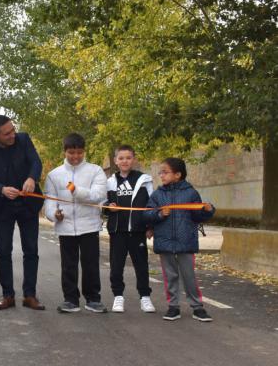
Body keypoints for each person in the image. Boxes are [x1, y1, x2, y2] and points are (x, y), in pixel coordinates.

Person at [0, 115, 46, 310]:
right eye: (7, 133)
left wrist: (32, 178)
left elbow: (36, 162)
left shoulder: (24, 139)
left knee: (31, 250)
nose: (12, 135)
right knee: (4, 251)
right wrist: (1, 189)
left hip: (28, 204)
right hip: (3, 207)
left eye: (13, 129)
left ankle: (30, 295)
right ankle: (8, 295)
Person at [144, 157, 215, 322]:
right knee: (170, 276)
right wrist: (160, 214)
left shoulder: (191, 193)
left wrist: (208, 210)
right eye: (160, 172)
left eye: (165, 172)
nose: (161, 175)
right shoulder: (157, 194)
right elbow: (147, 213)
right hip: (165, 242)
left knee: (189, 276)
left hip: (186, 242)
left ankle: (197, 307)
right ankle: (173, 306)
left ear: (177, 174)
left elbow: (198, 215)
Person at [45, 133, 108, 314]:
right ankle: (70, 300)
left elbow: (99, 195)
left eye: (79, 152)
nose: (75, 156)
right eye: (71, 152)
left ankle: (93, 299)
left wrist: (76, 190)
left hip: (89, 225)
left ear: (84, 151)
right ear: (65, 151)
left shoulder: (95, 170)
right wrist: (53, 214)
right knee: (68, 265)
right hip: (65, 228)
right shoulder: (54, 175)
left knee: (90, 264)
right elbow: (49, 200)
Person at [104, 145, 155, 313]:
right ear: (115, 161)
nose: (125, 161)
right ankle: (118, 297)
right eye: (121, 158)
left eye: (128, 157)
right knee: (116, 266)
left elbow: (151, 205)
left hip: (138, 231)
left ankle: (145, 297)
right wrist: (107, 207)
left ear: (133, 159)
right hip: (117, 231)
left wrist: (150, 226)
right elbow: (103, 204)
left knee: (141, 265)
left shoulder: (144, 180)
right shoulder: (110, 182)